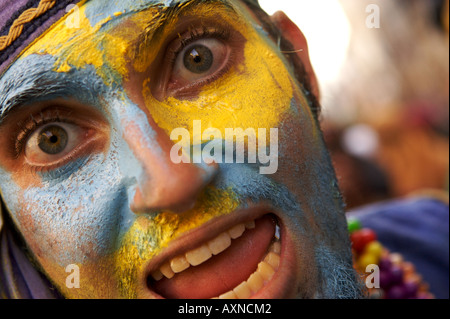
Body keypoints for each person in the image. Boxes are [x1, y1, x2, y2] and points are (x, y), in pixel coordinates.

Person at [0, 0, 365, 299]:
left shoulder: (423, 236)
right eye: (52, 139)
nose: (173, 182)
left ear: (297, 61)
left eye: (197, 58)